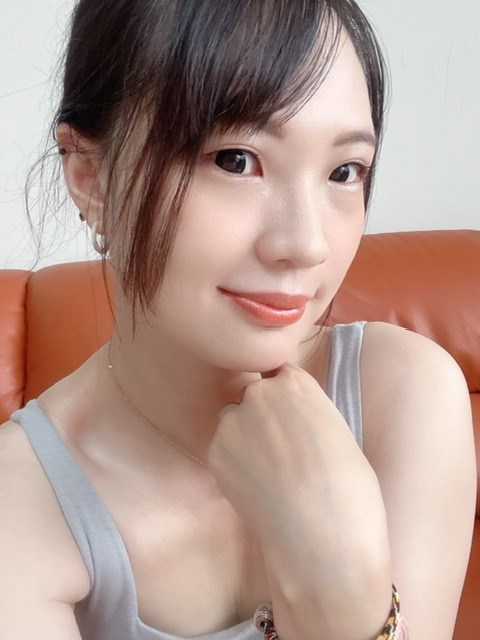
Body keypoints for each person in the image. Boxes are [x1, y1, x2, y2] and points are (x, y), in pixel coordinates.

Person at [0, 1, 476, 639]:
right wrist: (332, 583)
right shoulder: (20, 504)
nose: (305, 245)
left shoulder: (406, 396)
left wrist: (335, 570)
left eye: (344, 172)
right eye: (235, 160)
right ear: (91, 176)